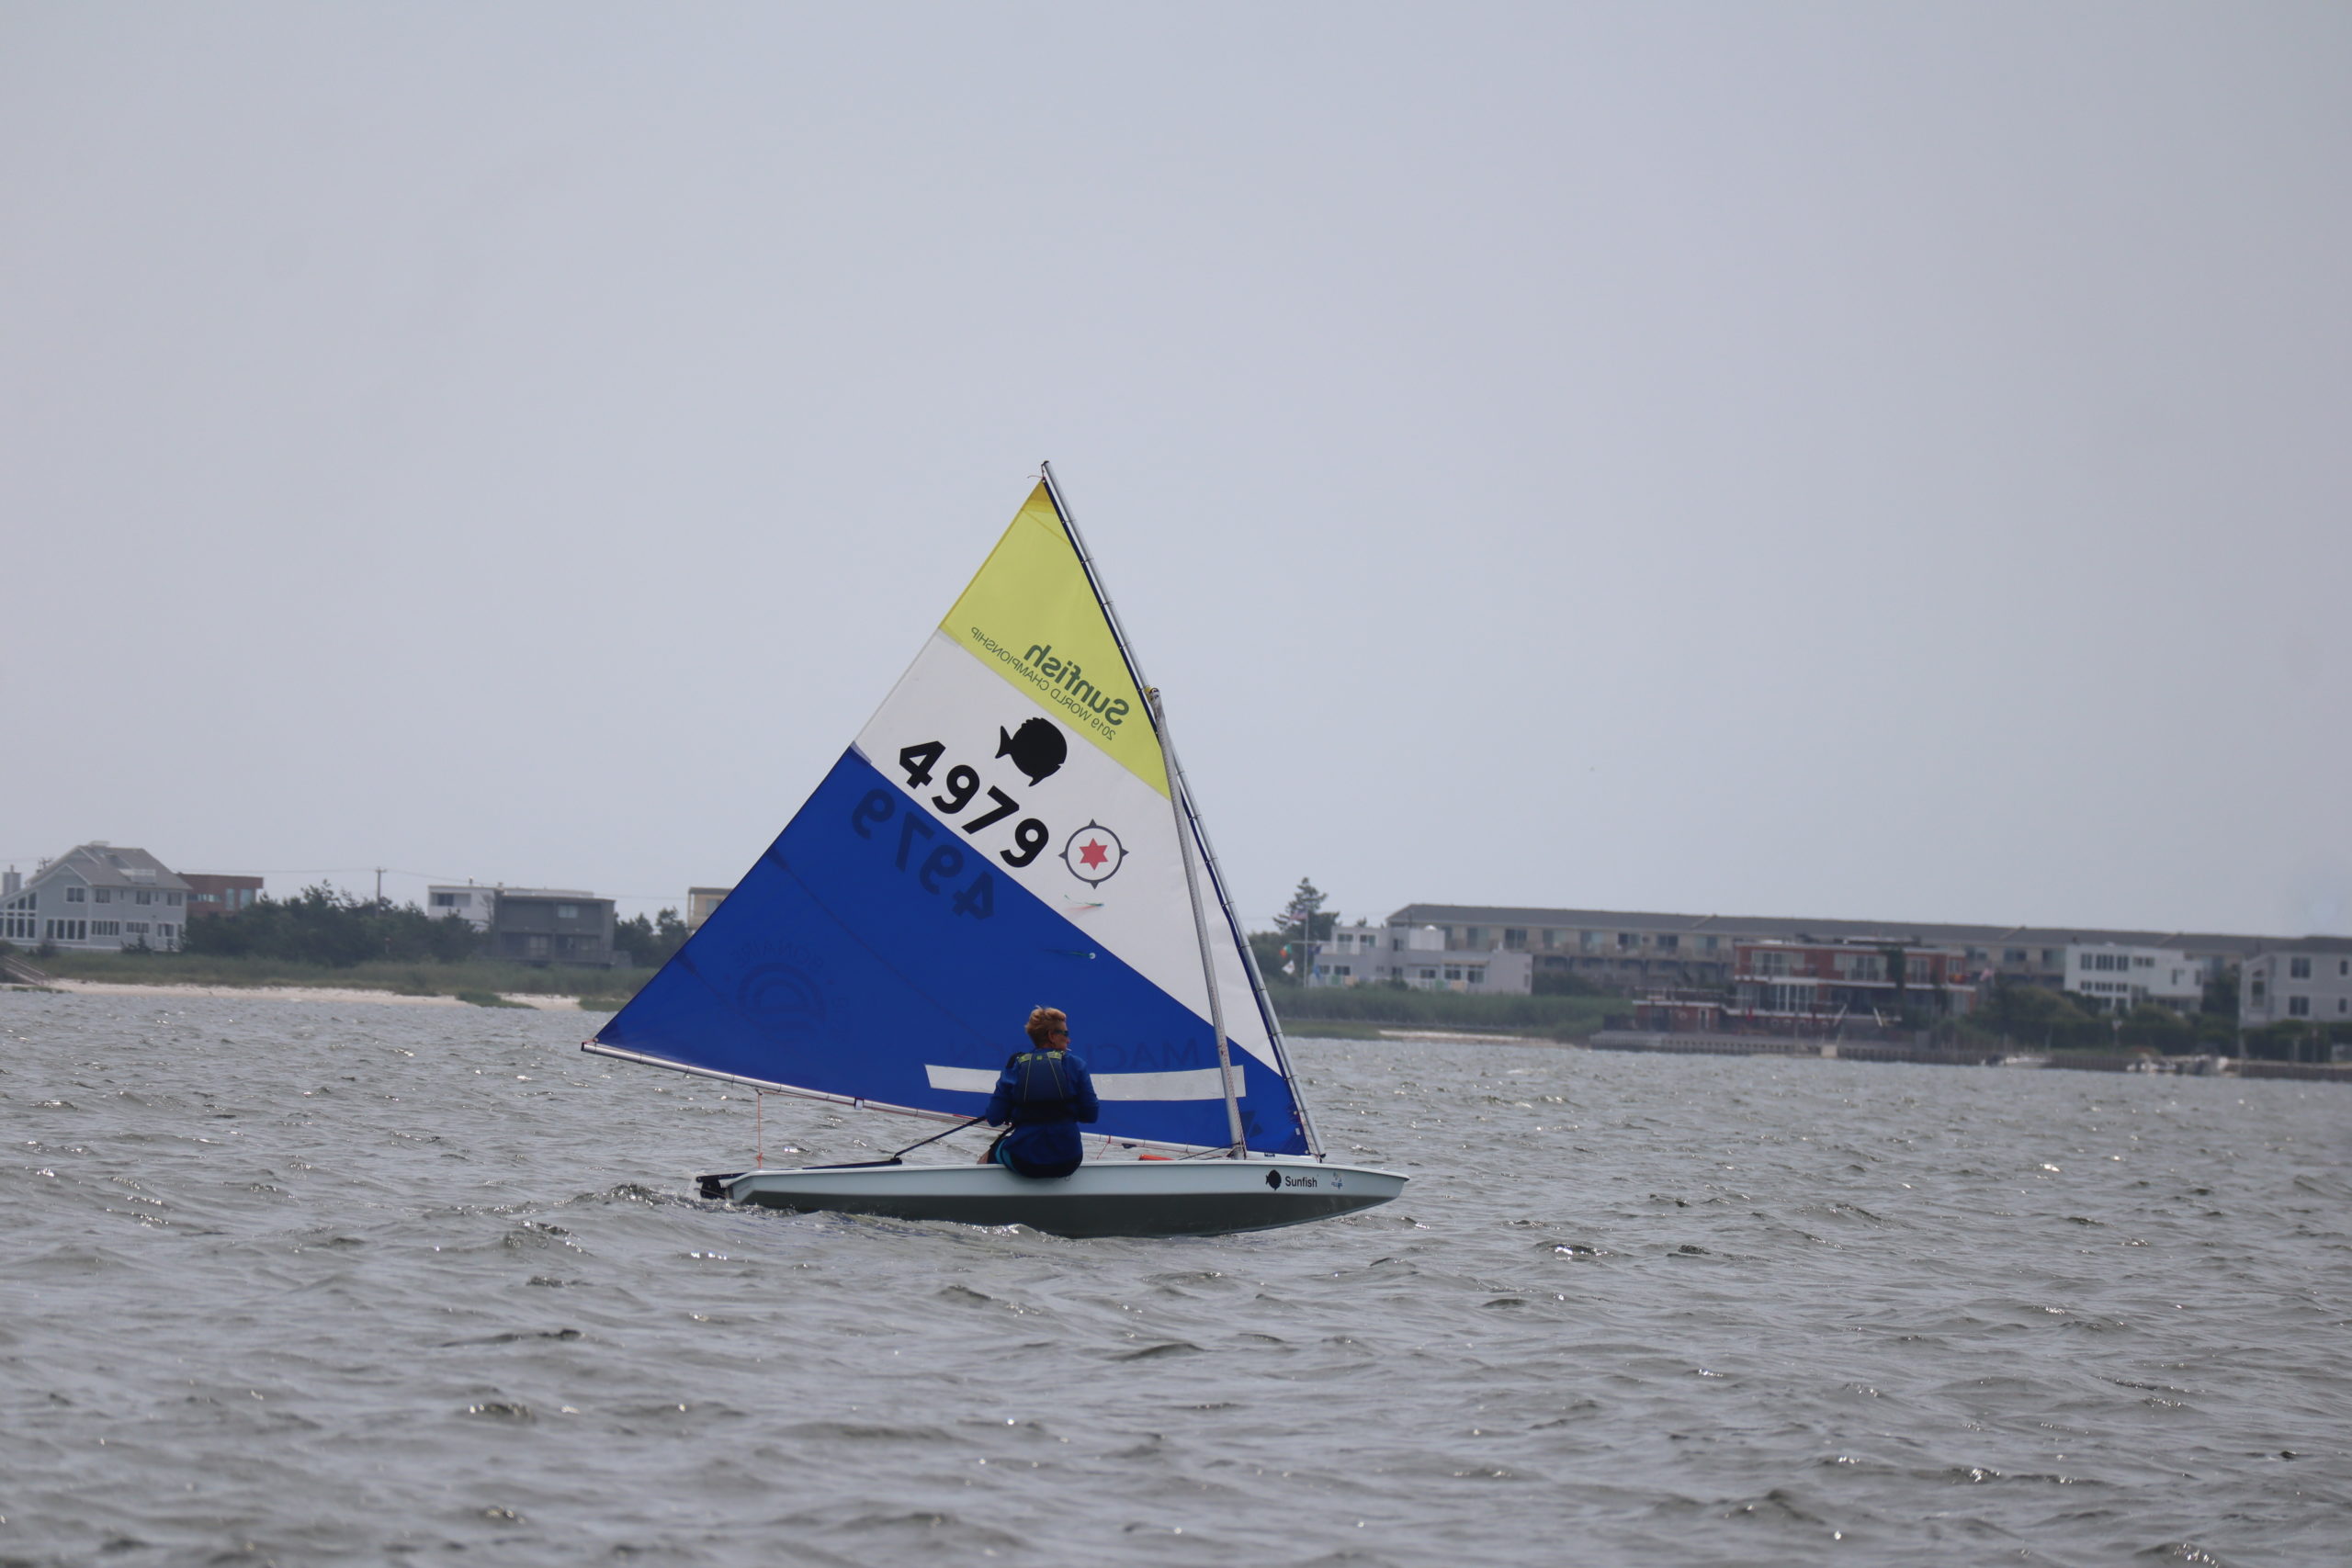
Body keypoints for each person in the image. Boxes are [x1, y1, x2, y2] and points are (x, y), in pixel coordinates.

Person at [979, 1007, 1100, 1179]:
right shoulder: (1077, 1065)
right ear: (1052, 1035)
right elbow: (1091, 1115)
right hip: (1068, 1161)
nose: (1069, 1040)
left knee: (988, 1155)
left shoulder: (1016, 1066)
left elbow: (993, 1118)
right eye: (1065, 1034)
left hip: (1023, 1162)